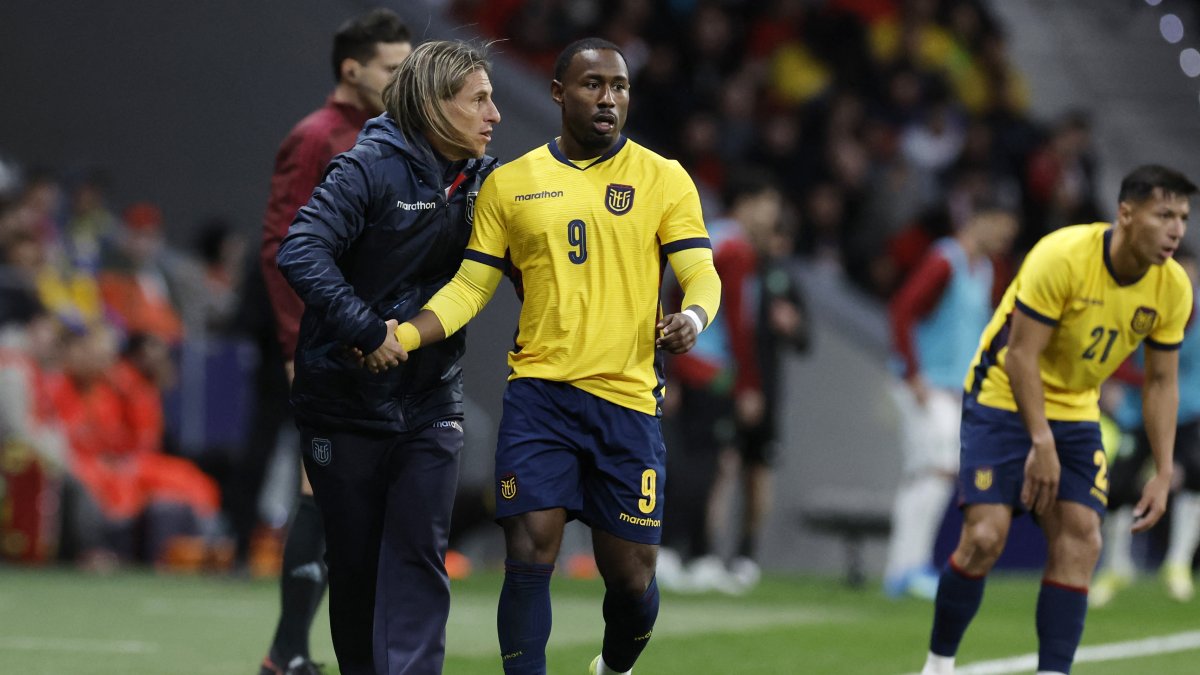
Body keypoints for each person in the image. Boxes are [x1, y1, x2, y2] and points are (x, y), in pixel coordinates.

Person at [395, 37, 722, 675]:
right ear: (557, 93)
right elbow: (469, 289)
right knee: (529, 550)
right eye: (593, 85)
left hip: (627, 402)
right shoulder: (510, 185)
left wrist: (692, 318)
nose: (608, 99)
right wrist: (401, 337)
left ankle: (614, 666)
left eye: (619, 87)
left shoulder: (663, 177)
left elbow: (700, 273)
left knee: (631, 580)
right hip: (539, 397)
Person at [276, 39, 500, 675]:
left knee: (421, 554)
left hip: (432, 397)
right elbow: (299, 250)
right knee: (356, 566)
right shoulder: (366, 168)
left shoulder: (486, 180)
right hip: (343, 399)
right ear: (433, 105)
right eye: (479, 99)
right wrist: (368, 330)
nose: (495, 114)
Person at [919, 164, 1196, 675]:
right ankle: (938, 665)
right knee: (984, 539)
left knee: (1082, 539)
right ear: (1126, 214)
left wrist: (1162, 469)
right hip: (1002, 398)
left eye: (1182, 217)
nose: (1176, 229)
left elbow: (1161, 383)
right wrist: (1041, 442)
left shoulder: (1173, 288)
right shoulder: (1063, 255)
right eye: (1164, 215)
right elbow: (1021, 356)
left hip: (1075, 408)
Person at [256, 9, 411, 675]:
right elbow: (282, 249)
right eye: (393, 69)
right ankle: (287, 650)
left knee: (352, 498)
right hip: (325, 347)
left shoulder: (388, 136)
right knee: (320, 490)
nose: (403, 81)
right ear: (353, 69)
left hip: (374, 344)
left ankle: (302, 650)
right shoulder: (317, 137)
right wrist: (298, 349)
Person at [660, 169, 808, 593]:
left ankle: (691, 554)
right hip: (712, 370)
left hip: (691, 363)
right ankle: (675, 552)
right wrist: (748, 384)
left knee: (694, 460)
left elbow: (673, 294)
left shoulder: (712, 237)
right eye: (767, 203)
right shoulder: (736, 250)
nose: (772, 213)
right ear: (746, 204)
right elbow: (740, 324)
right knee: (702, 464)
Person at [884, 198, 1017, 600]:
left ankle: (904, 568)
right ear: (977, 220)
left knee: (928, 474)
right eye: (1000, 228)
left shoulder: (986, 270)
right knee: (937, 471)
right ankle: (907, 568)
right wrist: (913, 373)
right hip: (927, 386)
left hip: (955, 388)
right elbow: (902, 310)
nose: (1004, 238)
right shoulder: (944, 261)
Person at [1090, 243, 1200, 607]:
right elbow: (1116, 352)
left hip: (1188, 412)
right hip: (1138, 412)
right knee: (1117, 485)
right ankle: (1116, 566)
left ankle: (1178, 564)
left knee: (1195, 474)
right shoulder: (1140, 305)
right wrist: (1118, 382)